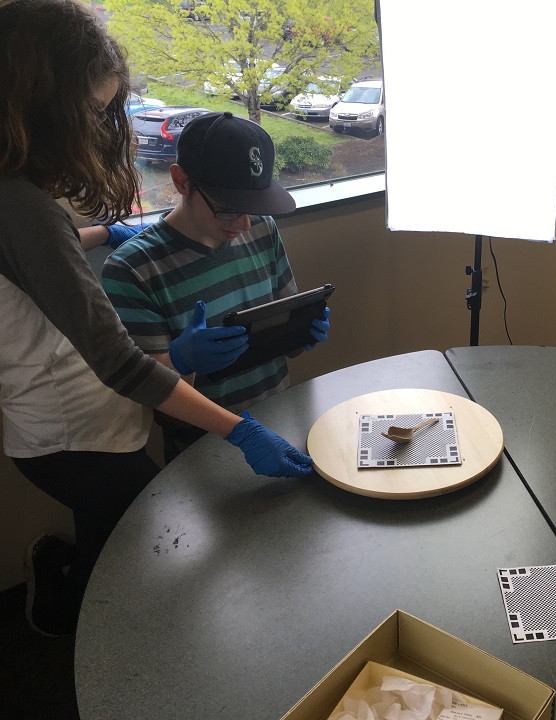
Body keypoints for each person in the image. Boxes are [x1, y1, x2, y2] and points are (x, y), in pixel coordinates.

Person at [0, 0, 313, 637]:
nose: (97, 129)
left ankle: (71, 589)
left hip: (81, 402)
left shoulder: (22, 194)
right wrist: (241, 432)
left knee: (109, 531)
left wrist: (91, 234)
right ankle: (94, 639)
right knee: (136, 547)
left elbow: (32, 257)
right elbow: (121, 363)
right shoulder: (25, 210)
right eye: (91, 112)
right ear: (45, 104)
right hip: (65, 422)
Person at [102, 111, 330, 462]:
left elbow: (290, 352)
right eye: (227, 209)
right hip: (200, 453)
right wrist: (181, 359)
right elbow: (159, 402)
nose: (242, 223)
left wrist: (300, 330)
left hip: (281, 423)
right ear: (181, 181)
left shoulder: (262, 230)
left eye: (252, 207)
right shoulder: (132, 269)